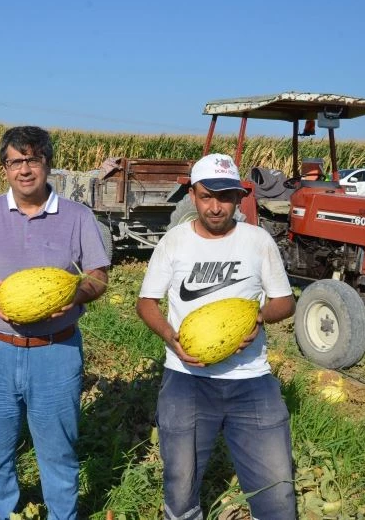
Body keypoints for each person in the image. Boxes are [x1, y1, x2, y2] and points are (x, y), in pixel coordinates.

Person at [0, 126, 110, 520]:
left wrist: (73, 295)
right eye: (16, 161)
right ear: (4, 167)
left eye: (33, 159)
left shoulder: (77, 217)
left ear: (47, 164)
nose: (24, 170)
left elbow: (97, 277)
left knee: (58, 452)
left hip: (55, 351)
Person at [136, 153, 297, 519]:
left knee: (277, 493)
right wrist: (168, 335)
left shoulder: (258, 241)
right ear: (192, 195)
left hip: (251, 379)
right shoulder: (174, 242)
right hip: (186, 379)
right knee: (179, 486)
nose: (215, 207)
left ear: (239, 198)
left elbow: (285, 302)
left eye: (224, 197)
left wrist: (257, 317)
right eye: (206, 196)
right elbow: (145, 302)